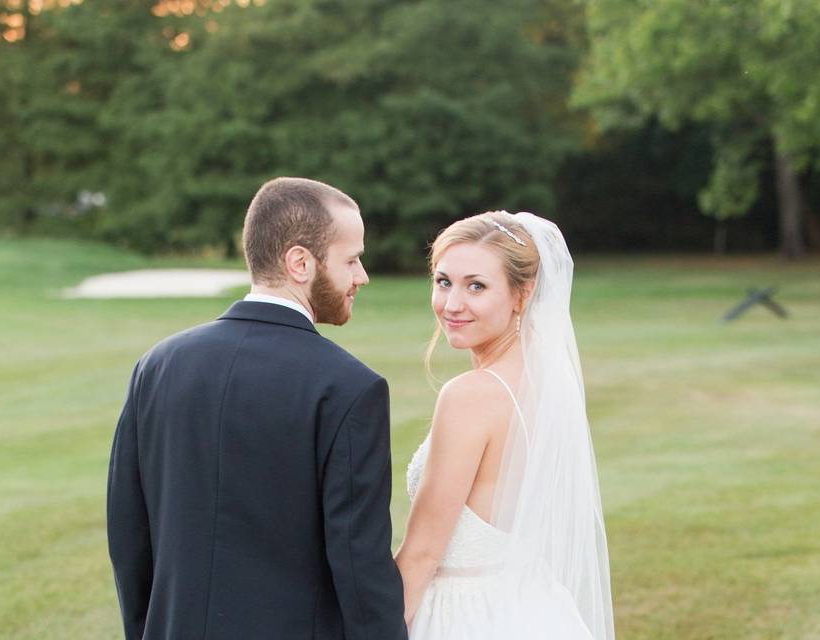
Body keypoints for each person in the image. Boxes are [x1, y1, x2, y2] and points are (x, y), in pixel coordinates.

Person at [107, 177, 407, 640]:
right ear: (300, 262)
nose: (362, 275)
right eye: (352, 259)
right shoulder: (349, 387)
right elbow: (359, 564)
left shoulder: (157, 366)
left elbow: (130, 537)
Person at [395, 211, 614, 639]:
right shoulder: (550, 380)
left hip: (463, 617)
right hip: (533, 606)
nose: (452, 304)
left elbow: (422, 554)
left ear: (522, 293)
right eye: (443, 282)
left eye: (476, 286)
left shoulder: (470, 395)